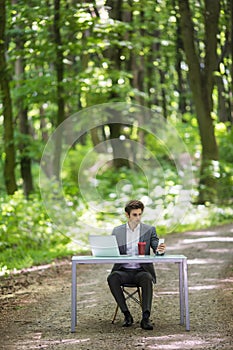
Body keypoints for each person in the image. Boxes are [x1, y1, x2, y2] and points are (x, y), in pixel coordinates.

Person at [107, 199, 166, 330]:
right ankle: (126, 314)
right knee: (112, 277)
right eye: (135, 214)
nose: (138, 217)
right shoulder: (117, 231)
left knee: (147, 278)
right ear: (127, 215)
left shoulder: (149, 230)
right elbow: (110, 250)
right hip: (123, 271)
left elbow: (156, 248)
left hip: (141, 271)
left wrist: (160, 250)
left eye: (140, 214)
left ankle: (145, 318)